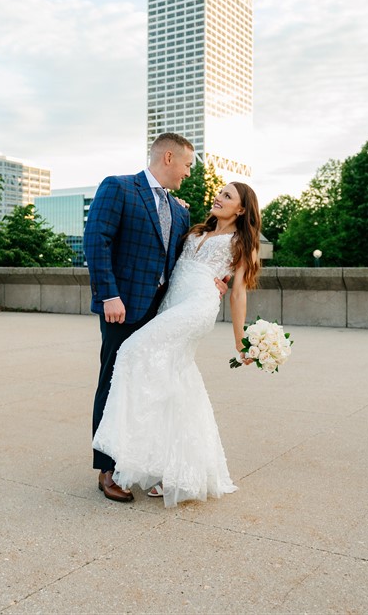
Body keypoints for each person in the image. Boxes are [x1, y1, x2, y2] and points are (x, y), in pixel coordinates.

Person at [92, 181, 261, 507]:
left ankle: (123, 454)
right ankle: (168, 467)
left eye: (227, 196)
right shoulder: (196, 229)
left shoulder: (243, 242)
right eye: (220, 192)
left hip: (197, 307)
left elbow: (238, 292)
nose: (219, 197)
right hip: (171, 302)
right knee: (171, 377)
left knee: (131, 351)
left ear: (241, 209)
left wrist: (241, 340)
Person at [83, 133, 227, 503]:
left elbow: (185, 258)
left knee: (156, 386)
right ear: (168, 158)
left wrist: (215, 280)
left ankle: (144, 460)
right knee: (114, 381)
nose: (188, 174)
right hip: (123, 307)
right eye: (187, 165)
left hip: (164, 311)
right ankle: (108, 469)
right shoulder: (118, 188)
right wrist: (109, 295)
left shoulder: (180, 210)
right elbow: (96, 240)